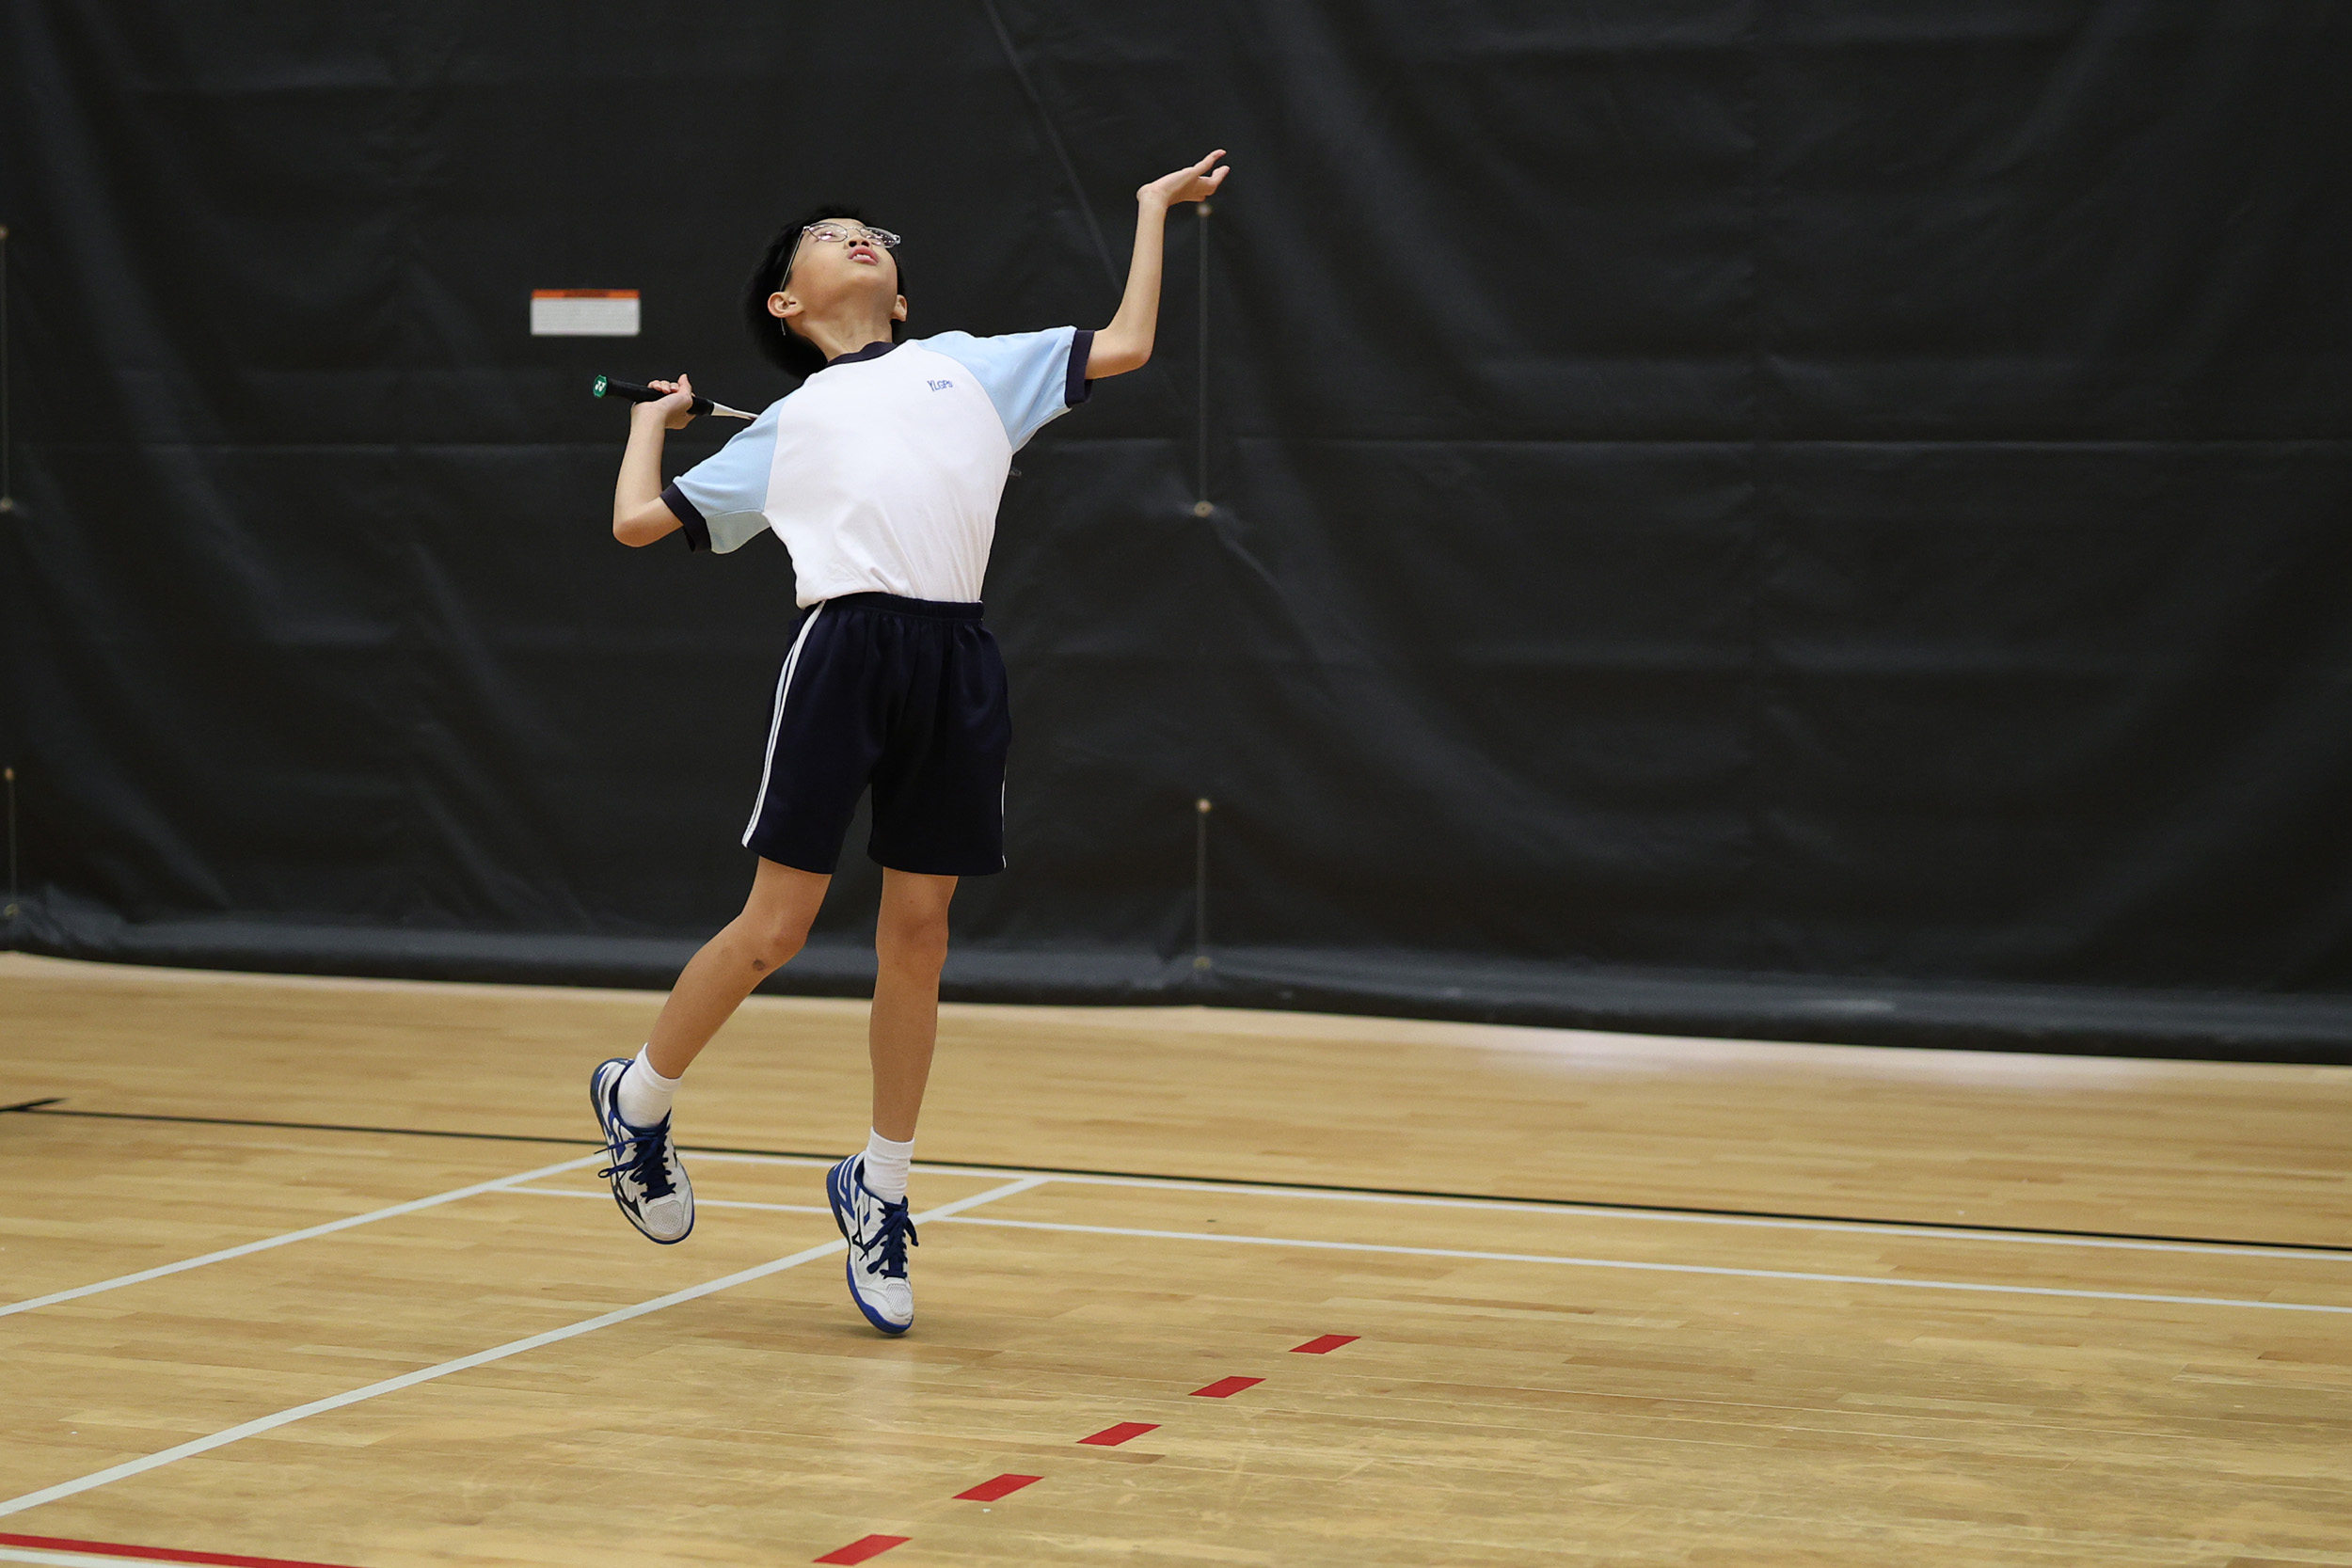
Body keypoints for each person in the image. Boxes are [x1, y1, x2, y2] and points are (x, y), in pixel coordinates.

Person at [587, 150, 1232, 1336]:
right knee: (776, 927)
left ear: (900, 291)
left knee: (920, 935)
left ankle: (878, 1185)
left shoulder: (972, 366)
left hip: (956, 659)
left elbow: (1128, 343)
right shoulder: (786, 424)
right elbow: (638, 521)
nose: (860, 236)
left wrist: (1149, 210)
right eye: (829, 234)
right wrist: (648, 423)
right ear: (787, 301)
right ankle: (638, 1096)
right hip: (842, 651)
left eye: (870, 232)